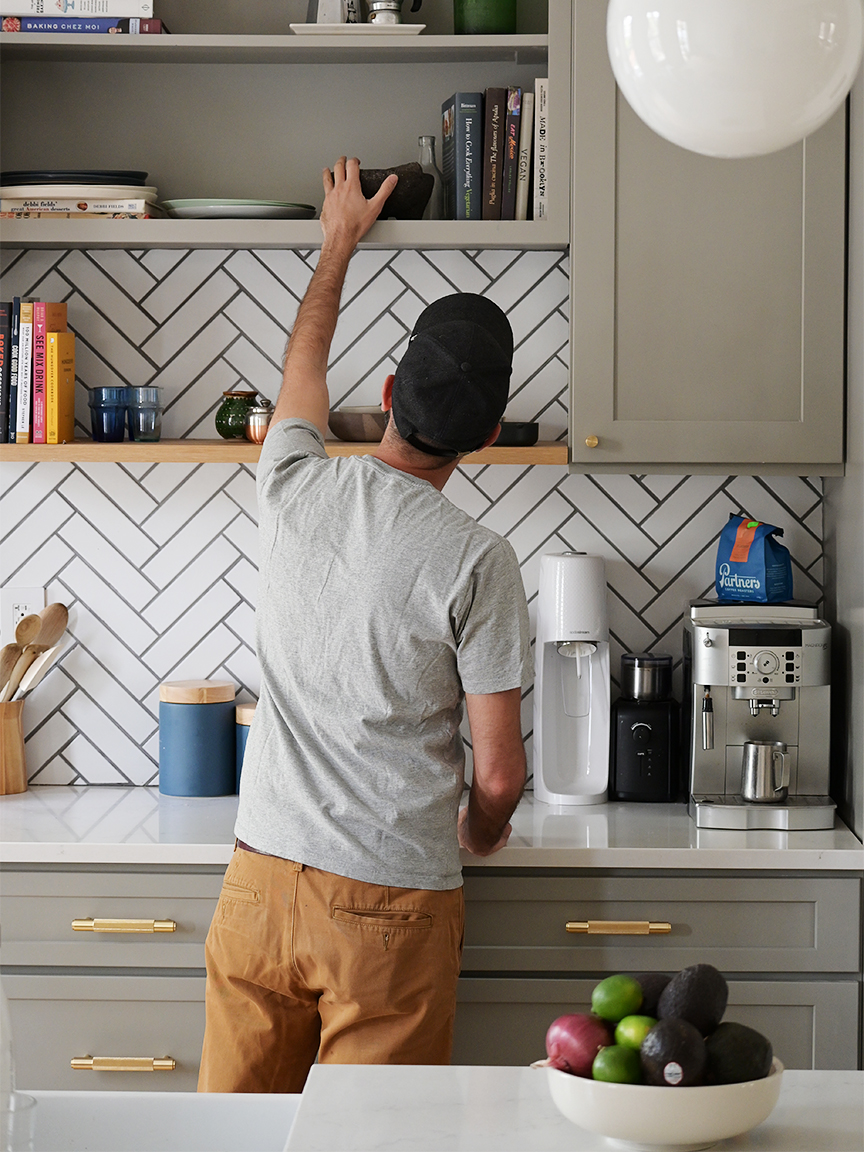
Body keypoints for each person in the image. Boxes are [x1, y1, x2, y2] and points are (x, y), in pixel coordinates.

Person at [197, 157, 532, 1094]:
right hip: (393, 904)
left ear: (387, 392)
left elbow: (303, 362)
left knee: (233, 1140)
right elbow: (500, 774)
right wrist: (484, 827)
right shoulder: (478, 560)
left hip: (261, 879)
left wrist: (338, 240)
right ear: (489, 438)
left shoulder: (294, 480)